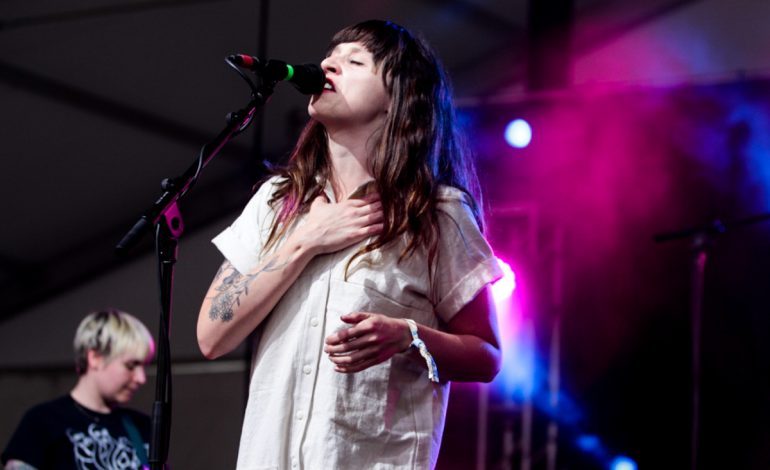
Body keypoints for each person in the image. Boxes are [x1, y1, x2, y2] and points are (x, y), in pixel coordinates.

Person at [197, 19, 503, 469]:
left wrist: (408, 336)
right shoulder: (278, 202)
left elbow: (487, 355)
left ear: (397, 100)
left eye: (354, 61)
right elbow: (211, 335)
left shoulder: (435, 212)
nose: (328, 65)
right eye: (330, 57)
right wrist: (304, 241)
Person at [2, 309, 155, 470]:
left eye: (144, 367)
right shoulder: (43, 421)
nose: (141, 378)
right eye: (130, 366)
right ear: (95, 358)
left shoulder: (141, 426)